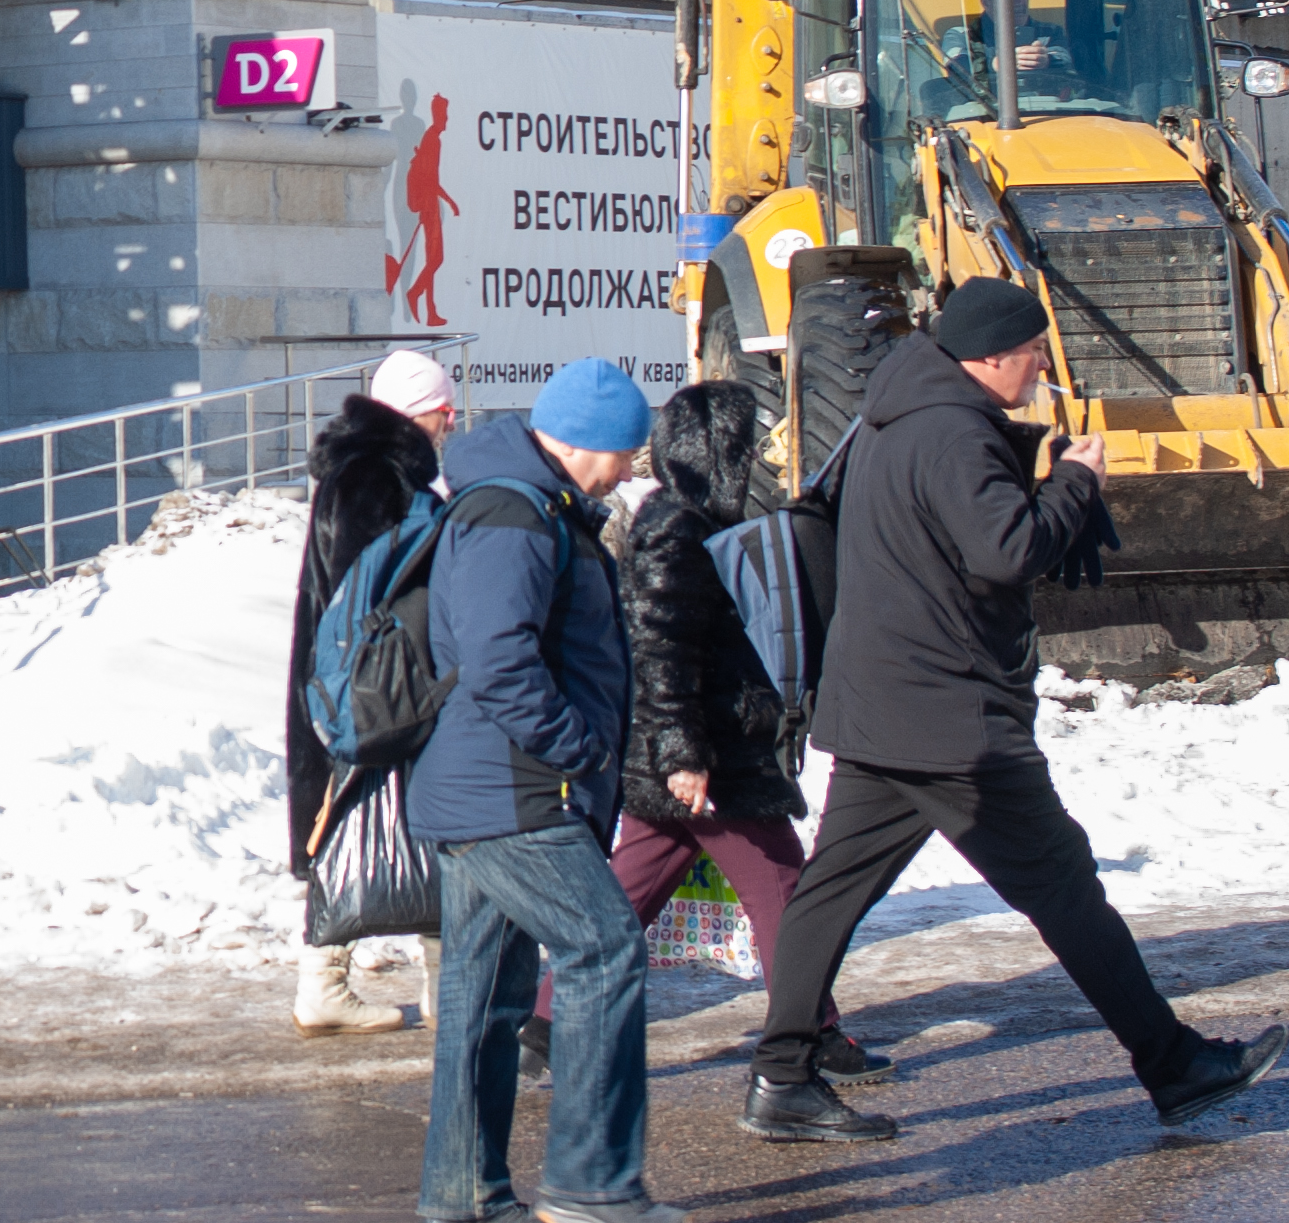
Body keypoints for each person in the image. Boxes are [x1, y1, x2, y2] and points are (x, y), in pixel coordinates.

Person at [739, 276, 1285, 1143]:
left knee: (831, 892)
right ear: (991, 356)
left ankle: (781, 1078)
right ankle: (1176, 1067)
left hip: (887, 699)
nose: (1040, 369)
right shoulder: (953, 432)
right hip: (950, 715)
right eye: (1033, 354)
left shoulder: (903, 411)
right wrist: (1071, 483)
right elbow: (1006, 549)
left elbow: (951, 508)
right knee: (1064, 887)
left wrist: (1026, 453)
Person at [523, 380, 881, 1080]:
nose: (753, 459)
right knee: (783, 889)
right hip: (709, 757)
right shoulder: (680, 530)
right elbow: (661, 649)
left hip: (687, 753)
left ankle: (544, 1025)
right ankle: (812, 1035)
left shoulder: (677, 521)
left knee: (631, 889)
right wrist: (684, 754)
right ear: (718, 451)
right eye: (744, 445)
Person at [412, 359, 662, 1223]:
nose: (628, 471)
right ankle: (595, 1186)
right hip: (516, 791)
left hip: (491, 789)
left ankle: (464, 1196)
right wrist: (579, 748)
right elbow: (498, 661)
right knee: (605, 951)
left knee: (485, 1001)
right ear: (586, 441)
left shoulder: (523, 502)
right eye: (625, 453)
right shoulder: (511, 513)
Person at [286, 347, 458, 1035]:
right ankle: (440, 985)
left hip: (359, 677)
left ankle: (335, 982)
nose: (450, 427)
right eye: (446, 414)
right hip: (378, 679)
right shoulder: (375, 479)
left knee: (362, 818)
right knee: (400, 816)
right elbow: (369, 592)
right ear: (425, 415)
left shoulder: (362, 471)